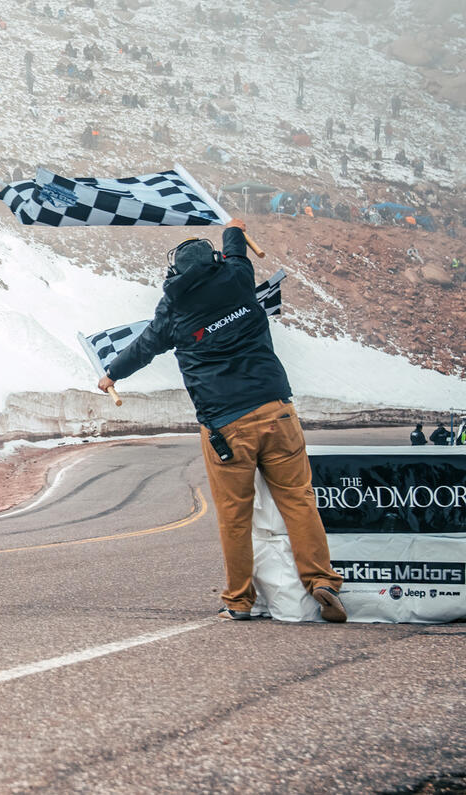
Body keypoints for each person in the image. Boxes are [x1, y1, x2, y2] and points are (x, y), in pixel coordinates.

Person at [98, 219, 346, 623]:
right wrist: (233, 227)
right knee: (299, 500)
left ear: (175, 272)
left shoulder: (174, 311)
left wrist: (111, 374)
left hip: (226, 426)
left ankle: (238, 600)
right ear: (212, 261)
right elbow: (236, 248)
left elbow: (143, 347)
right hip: (275, 408)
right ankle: (321, 580)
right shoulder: (236, 278)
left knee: (235, 515)